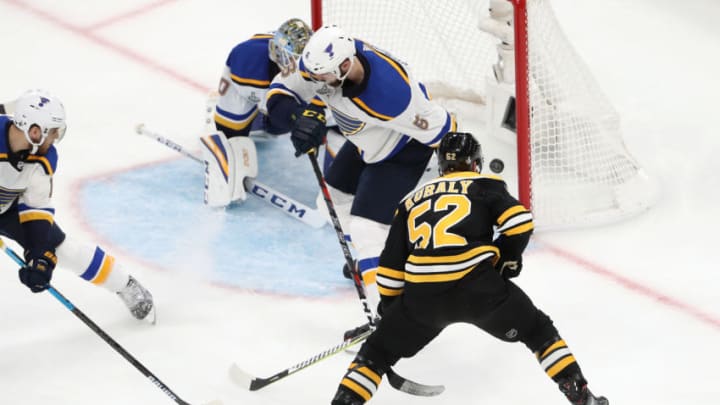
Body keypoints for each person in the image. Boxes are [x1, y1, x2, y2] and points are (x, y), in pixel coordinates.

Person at [330, 132, 609, 405]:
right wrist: (506, 259)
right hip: (480, 288)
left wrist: (391, 312)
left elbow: (390, 269)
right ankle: (582, 397)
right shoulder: (485, 184)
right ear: (476, 163)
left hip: (423, 298)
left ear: (441, 166)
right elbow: (520, 223)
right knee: (538, 332)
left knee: (375, 354)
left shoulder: (409, 201)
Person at [264, 25, 457, 309]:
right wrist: (297, 117)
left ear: (345, 66)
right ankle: (384, 262)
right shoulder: (319, 64)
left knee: (366, 228)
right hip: (364, 138)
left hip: (403, 147)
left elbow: (445, 132)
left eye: (322, 76)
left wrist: (464, 185)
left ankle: (388, 311)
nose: (314, 80)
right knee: (330, 200)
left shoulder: (394, 96)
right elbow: (280, 92)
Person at [1, 89, 155, 321]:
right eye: (52, 132)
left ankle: (124, 283)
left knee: (64, 250)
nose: (55, 139)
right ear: (34, 132)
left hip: (8, 208)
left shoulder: (43, 158)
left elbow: (37, 209)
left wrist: (39, 257)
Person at [201, 18, 313, 207]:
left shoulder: (317, 68)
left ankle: (261, 122)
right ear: (276, 53)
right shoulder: (247, 63)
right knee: (232, 131)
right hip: (243, 89)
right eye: (290, 59)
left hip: (270, 92)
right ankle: (230, 110)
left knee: (282, 126)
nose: (295, 66)